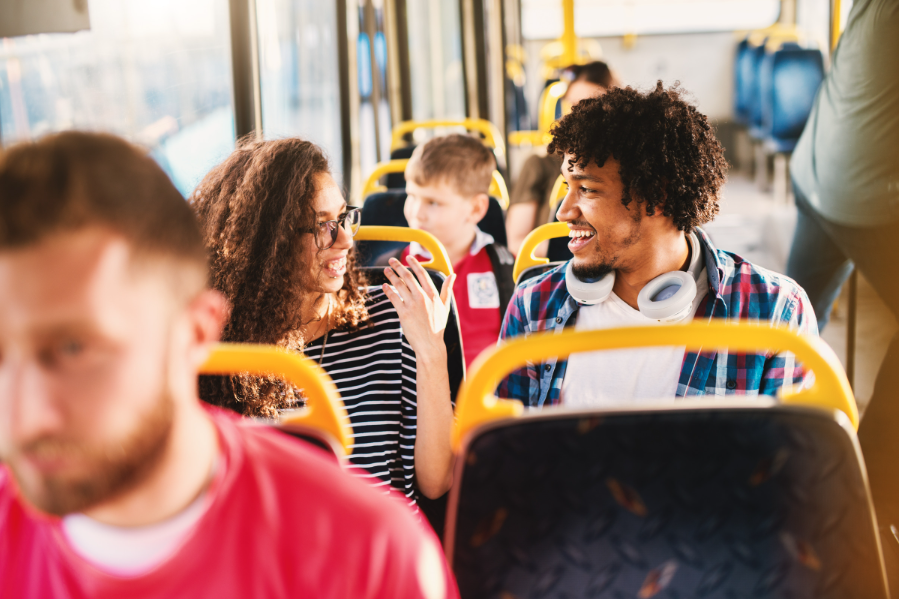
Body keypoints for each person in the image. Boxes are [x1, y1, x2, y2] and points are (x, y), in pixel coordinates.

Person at [0, 132, 457, 597]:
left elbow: (434, 479)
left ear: (196, 334)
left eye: (74, 348)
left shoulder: (370, 553)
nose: (20, 412)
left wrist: (430, 349)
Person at [498, 83, 817, 408]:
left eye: (588, 189)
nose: (563, 211)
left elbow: (793, 456)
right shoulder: (532, 308)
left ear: (657, 195)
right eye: (568, 185)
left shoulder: (776, 314)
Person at [193, 137, 455, 505]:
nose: (346, 240)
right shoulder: (227, 351)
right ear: (272, 243)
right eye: (323, 226)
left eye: (344, 218)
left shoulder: (398, 317)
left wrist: (431, 351)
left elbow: (437, 480)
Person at [785, 0, 898, 592]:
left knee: (789, 324)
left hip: (817, 171)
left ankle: (776, 454)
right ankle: (875, 487)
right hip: (867, 193)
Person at [401, 134, 516, 368]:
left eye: (433, 202)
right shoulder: (395, 268)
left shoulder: (506, 269)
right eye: (411, 196)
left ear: (475, 208)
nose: (417, 213)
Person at [506, 61, 620, 254]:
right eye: (573, 106)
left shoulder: (620, 165)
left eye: (590, 107)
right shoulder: (539, 165)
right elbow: (517, 241)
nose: (578, 116)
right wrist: (569, 249)